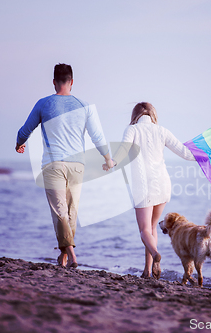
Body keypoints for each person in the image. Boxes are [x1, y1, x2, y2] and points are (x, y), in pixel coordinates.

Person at [15, 63, 113, 268]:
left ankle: (70, 256)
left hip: (53, 164)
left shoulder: (43, 104)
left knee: (60, 211)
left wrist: (19, 143)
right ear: (72, 82)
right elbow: (97, 136)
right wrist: (108, 158)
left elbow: (25, 130)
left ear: (53, 82)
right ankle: (66, 256)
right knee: (71, 212)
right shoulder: (85, 106)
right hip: (77, 165)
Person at [104, 102, 195, 279]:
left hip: (143, 186)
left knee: (145, 230)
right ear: (152, 115)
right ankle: (148, 270)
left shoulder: (132, 130)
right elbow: (185, 152)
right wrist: (208, 155)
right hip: (162, 184)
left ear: (135, 116)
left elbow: (122, 151)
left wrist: (112, 162)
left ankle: (155, 254)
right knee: (152, 227)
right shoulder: (162, 131)